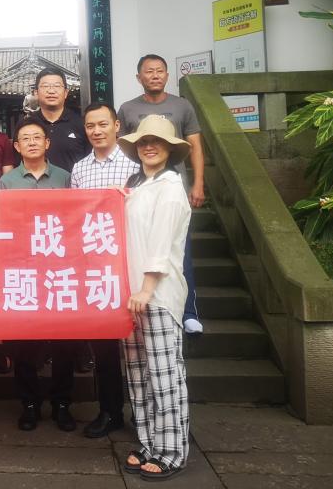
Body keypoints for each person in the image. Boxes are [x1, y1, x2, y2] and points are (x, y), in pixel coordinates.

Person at [117, 115, 192, 480]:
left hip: (157, 295)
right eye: (144, 142)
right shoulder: (140, 186)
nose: (149, 147)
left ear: (170, 149)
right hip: (131, 295)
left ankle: (172, 451)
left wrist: (146, 289)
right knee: (138, 374)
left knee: (164, 375)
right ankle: (149, 443)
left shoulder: (171, 188)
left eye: (157, 142)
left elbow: (161, 244)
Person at [0, 118, 78, 432]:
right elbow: (2, 223)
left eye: (37, 137)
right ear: (17, 147)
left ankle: (62, 403)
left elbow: (74, 220)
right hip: (22, 268)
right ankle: (29, 403)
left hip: (58, 269)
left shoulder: (65, 177)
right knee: (23, 342)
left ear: (47, 143)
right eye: (25, 139)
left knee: (64, 342)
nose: (31, 142)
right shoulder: (7, 182)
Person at [117, 54, 205, 334]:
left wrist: (198, 183)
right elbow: (123, 149)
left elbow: (195, 144)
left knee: (178, 250)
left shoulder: (182, 106)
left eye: (159, 71)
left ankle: (188, 311)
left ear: (167, 75)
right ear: (138, 77)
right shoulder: (128, 108)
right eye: (148, 71)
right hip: (143, 185)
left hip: (171, 184)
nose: (154, 75)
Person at [69, 103, 140, 439]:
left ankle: (143, 412)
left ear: (116, 125)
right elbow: (73, 215)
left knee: (138, 345)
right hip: (96, 267)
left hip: (131, 261)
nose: (96, 131)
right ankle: (110, 411)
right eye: (90, 126)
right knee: (104, 345)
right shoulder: (80, 169)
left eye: (102, 124)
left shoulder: (135, 164)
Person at [30, 67, 89, 172]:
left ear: (66, 93)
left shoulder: (81, 124)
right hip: (35, 183)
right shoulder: (27, 125)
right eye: (45, 86)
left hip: (74, 182)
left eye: (57, 86)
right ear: (36, 93)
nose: (51, 91)